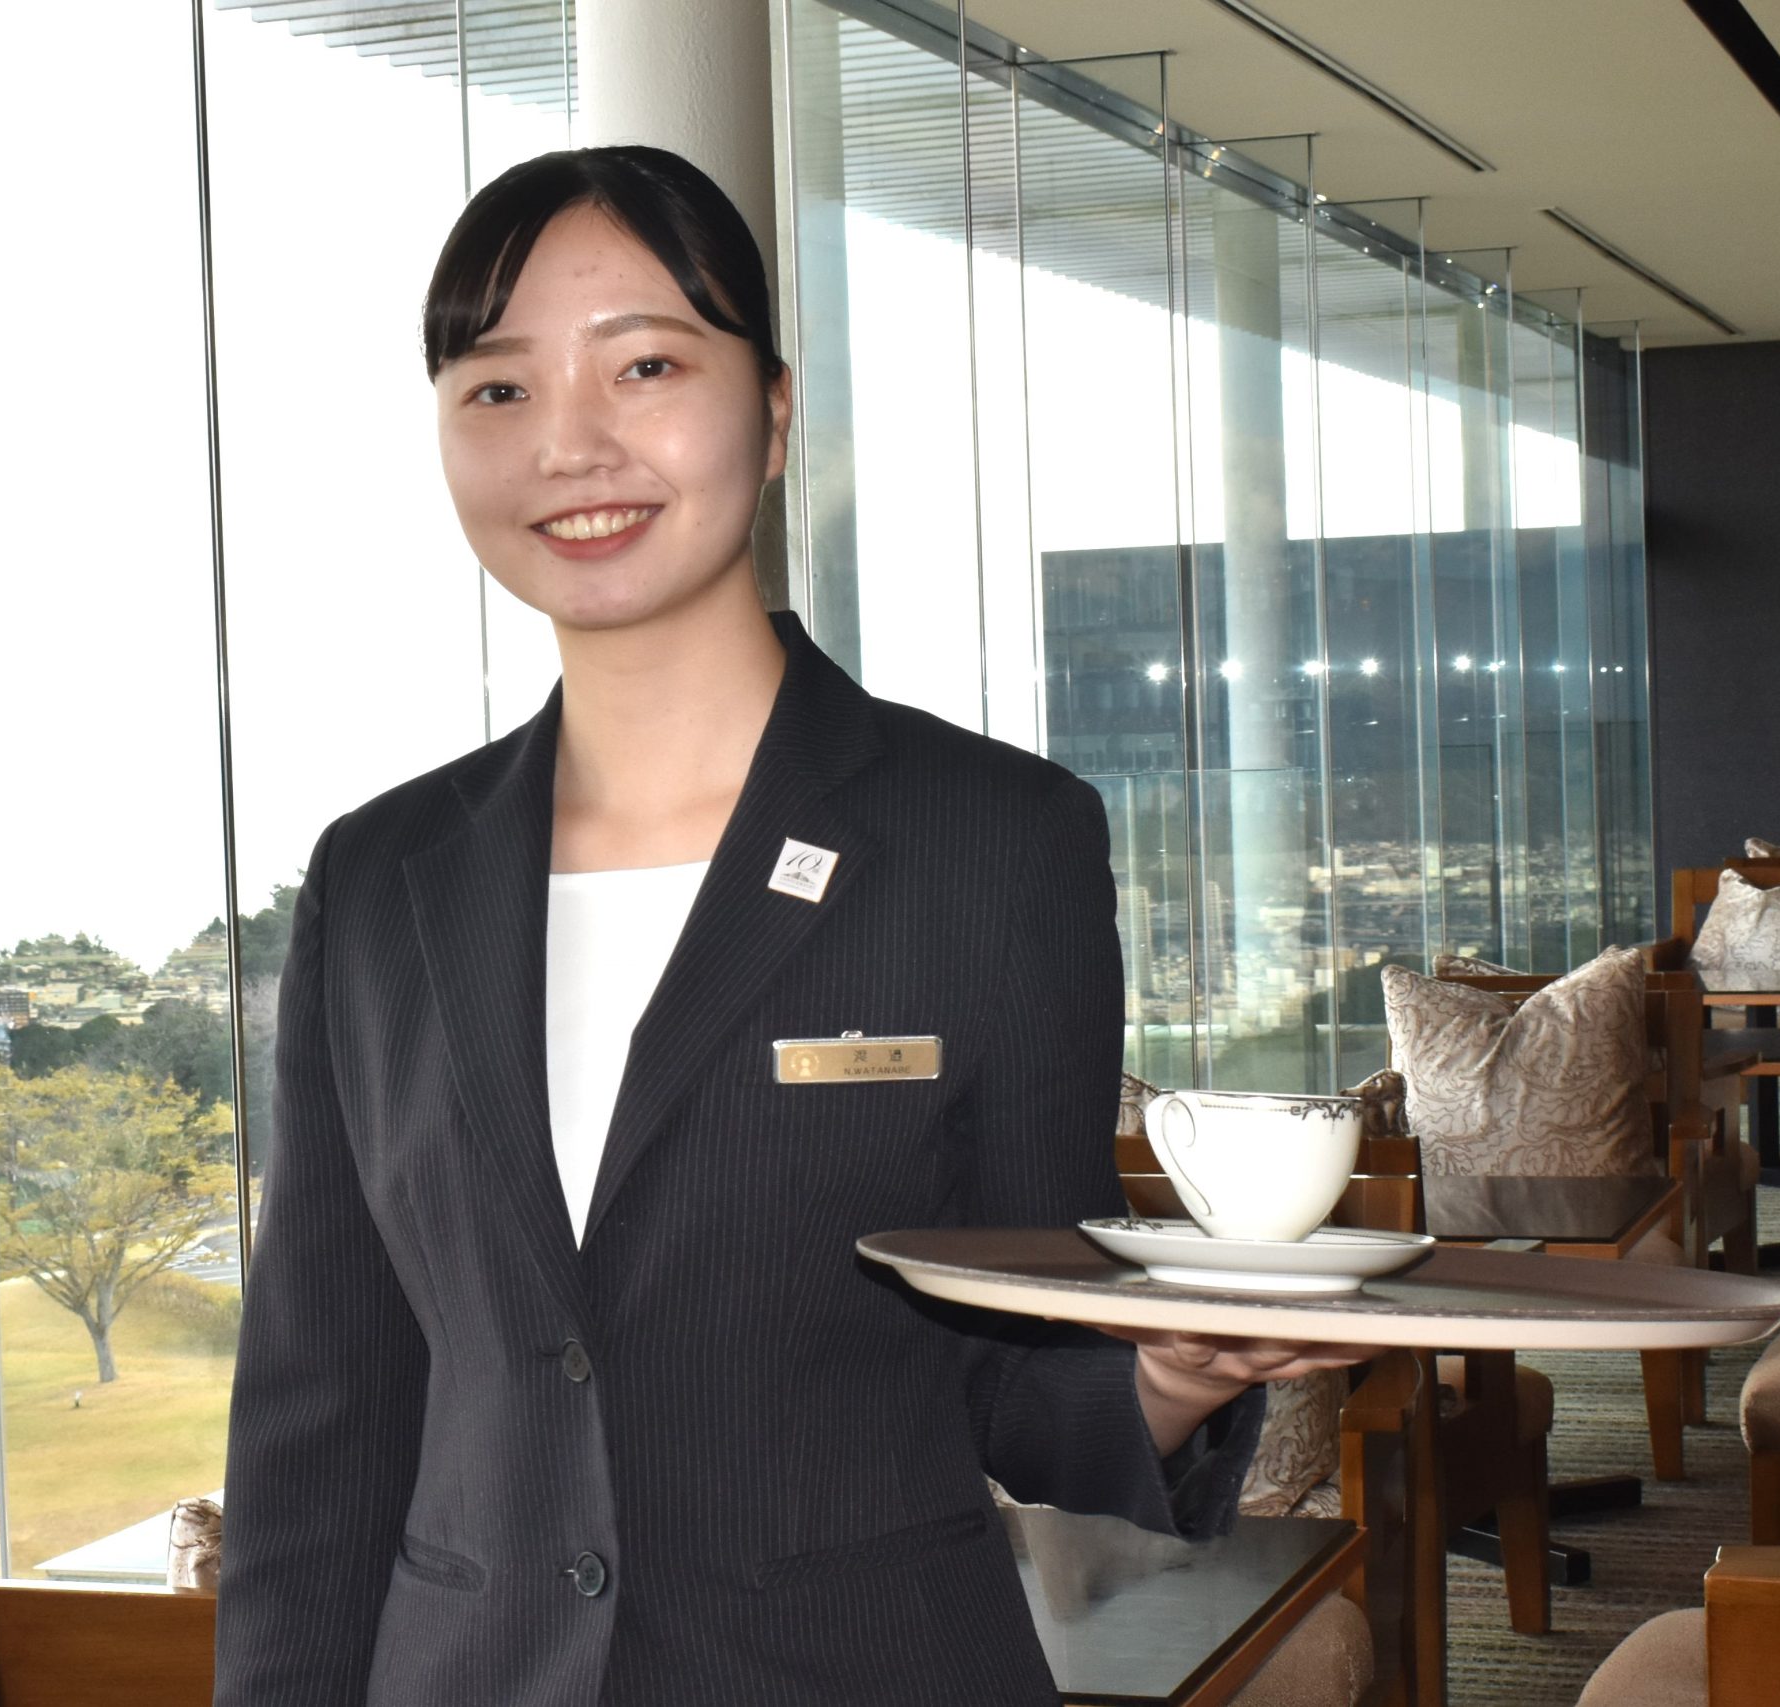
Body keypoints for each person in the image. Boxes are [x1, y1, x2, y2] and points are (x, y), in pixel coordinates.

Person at [214, 144, 1367, 1707]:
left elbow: (1021, 1360)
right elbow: (324, 1410)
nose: (568, 442)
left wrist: (1169, 1371)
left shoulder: (992, 842)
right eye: (498, 388)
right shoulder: (382, 881)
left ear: (771, 413)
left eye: (645, 366)